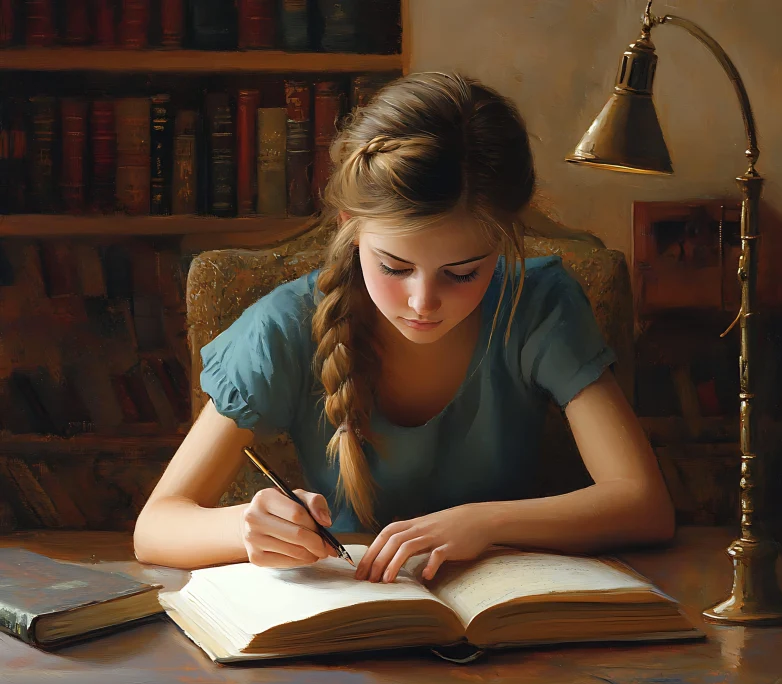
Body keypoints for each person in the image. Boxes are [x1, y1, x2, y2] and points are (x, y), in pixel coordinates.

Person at [134, 72, 674, 583]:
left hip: (503, 619)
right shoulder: (286, 327)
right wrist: (245, 527)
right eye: (394, 267)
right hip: (349, 617)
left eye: (463, 273)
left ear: (509, 240)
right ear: (351, 228)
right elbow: (155, 526)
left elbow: (642, 503)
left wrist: (483, 524)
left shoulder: (536, 307)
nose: (423, 302)